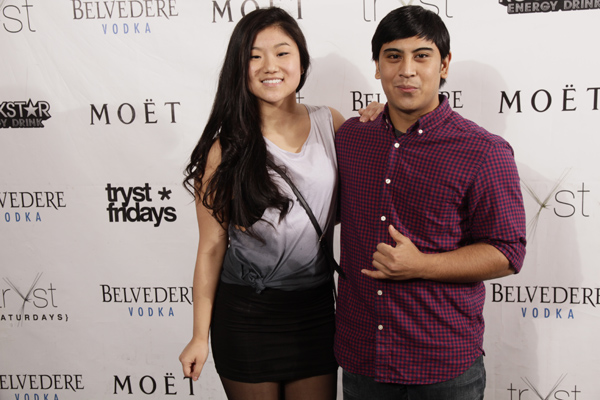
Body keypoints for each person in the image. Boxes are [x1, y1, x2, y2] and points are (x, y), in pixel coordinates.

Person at [178, 7, 381, 400]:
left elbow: (363, 194)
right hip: (246, 316)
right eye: (254, 56)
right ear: (239, 67)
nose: (270, 66)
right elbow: (211, 247)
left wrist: (379, 119)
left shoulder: (331, 122)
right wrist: (198, 336)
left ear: (301, 61)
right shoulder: (226, 148)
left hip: (315, 311)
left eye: (282, 52)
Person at [334, 5, 527, 400]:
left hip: (442, 366)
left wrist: (422, 265)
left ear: (444, 65)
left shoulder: (484, 151)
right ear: (377, 67)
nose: (407, 70)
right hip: (362, 359)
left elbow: (508, 253)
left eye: (421, 56)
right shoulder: (351, 138)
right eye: (393, 56)